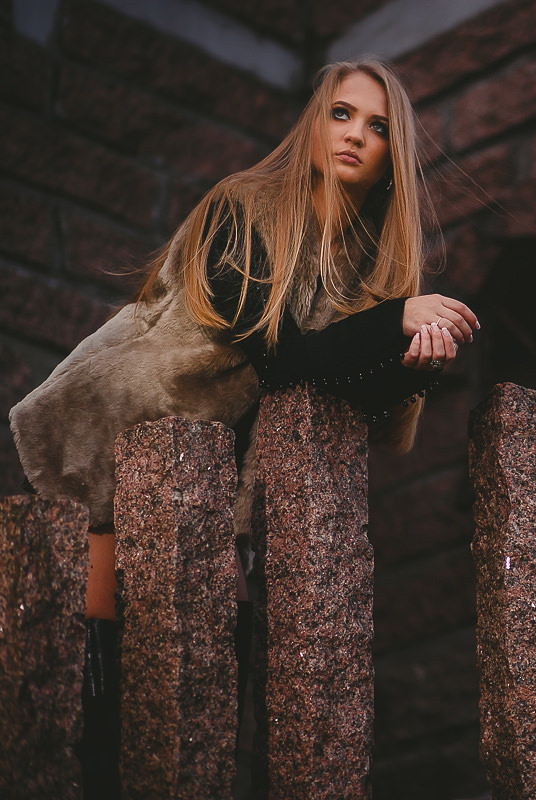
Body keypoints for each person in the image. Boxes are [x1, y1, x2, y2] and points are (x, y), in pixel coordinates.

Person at [8, 59, 477, 796]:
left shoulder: (369, 266)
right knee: (87, 653)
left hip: (223, 470)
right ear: (314, 122)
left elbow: (353, 401)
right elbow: (283, 353)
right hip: (127, 420)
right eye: (342, 114)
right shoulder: (242, 207)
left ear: (394, 153)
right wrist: (395, 321)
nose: (356, 135)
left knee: (207, 653)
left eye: (378, 127)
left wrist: (416, 362)